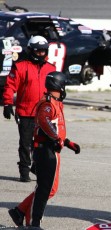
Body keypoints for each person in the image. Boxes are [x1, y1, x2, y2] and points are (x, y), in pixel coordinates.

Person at [8, 71, 81, 228]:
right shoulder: (47, 103)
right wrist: (57, 139)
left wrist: (67, 142)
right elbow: (45, 122)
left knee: (49, 189)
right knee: (44, 189)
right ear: (59, 86)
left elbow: (54, 127)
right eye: (63, 85)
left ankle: (19, 211)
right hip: (46, 151)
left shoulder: (55, 103)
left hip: (52, 149)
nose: (64, 89)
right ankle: (34, 222)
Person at [2, 35, 56, 182]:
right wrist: (7, 104)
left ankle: (37, 167)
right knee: (25, 144)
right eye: (38, 51)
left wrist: (57, 109)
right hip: (25, 112)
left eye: (43, 51)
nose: (41, 54)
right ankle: (24, 170)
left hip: (44, 114)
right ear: (31, 50)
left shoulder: (51, 69)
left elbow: (56, 91)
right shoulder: (20, 66)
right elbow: (10, 86)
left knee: (42, 145)